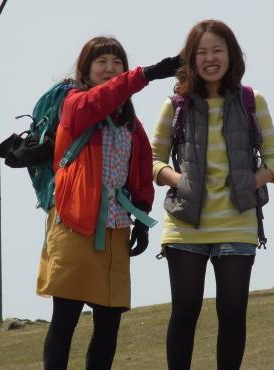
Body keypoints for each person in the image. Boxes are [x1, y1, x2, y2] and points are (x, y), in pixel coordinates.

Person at [37, 36, 179, 370]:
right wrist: (145, 74)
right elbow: (96, 102)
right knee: (65, 318)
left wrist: (142, 219)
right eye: (101, 61)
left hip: (116, 227)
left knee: (109, 322)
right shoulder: (74, 103)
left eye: (117, 62)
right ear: (85, 69)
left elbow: (141, 169)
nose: (110, 68)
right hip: (73, 224)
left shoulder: (129, 120)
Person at [151, 20, 274, 370]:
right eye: (202, 52)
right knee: (185, 311)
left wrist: (248, 182)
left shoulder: (252, 101)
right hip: (185, 224)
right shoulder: (175, 104)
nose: (210, 58)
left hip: (237, 222)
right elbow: (152, 160)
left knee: (233, 311)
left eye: (217, 50)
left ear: (231, 55)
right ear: (191, 60)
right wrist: (179, 180)